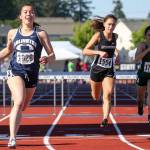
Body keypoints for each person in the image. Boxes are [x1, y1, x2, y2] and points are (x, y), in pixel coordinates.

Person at [0, 4, 55, 148]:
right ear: (20, 16)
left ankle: (17, 105)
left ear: (34, 16)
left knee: (23, 106)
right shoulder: (12, 33)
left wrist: (47, 58)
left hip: (32, 74)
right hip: (15, 71)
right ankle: (12, 138)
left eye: (31, 12)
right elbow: (8, 50)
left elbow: (52, 54)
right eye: (25, 12)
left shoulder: (41, 33)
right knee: (18, 101)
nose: (28, 14)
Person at [83, 14, 120, 127]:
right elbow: (85, 50)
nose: (111, 27)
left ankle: (105, 118)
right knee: (95, 96)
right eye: (109, 24)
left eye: (113, 25)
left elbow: (114, 48)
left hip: (109, 69)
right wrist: (98, 52)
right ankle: (93, 91)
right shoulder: (98, 35)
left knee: (108, 94)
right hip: (97, 69)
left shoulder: (115, 36)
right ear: (104, 24)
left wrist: (118, 55)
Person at [135, 26, 150, 124]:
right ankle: (140, 106)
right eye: (149, 35)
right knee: (140, 98)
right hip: (143, 74)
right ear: (145, 36)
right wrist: (148, 49)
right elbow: (136, 58)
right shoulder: (142, 45)